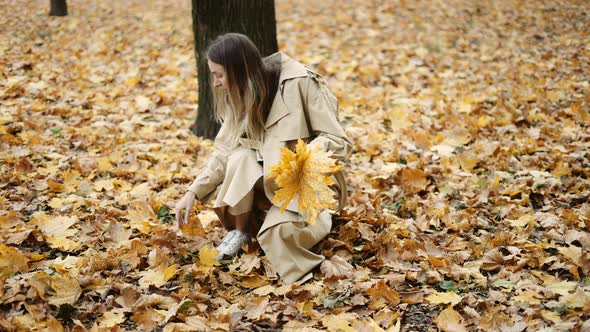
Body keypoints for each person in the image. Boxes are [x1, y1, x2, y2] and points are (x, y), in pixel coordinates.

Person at [175, 33, 352, 284]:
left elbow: (338, 140)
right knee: (239, 158)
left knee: (278, 235)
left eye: (219, 75)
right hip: (269, 183)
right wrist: (192, 192)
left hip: (308, 184)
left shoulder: (301, 82)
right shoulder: (240, 94)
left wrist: (305, 158)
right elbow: (223, 152)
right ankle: (241, 229)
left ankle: (314, 224)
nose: (215, 83)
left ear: (239, 70)